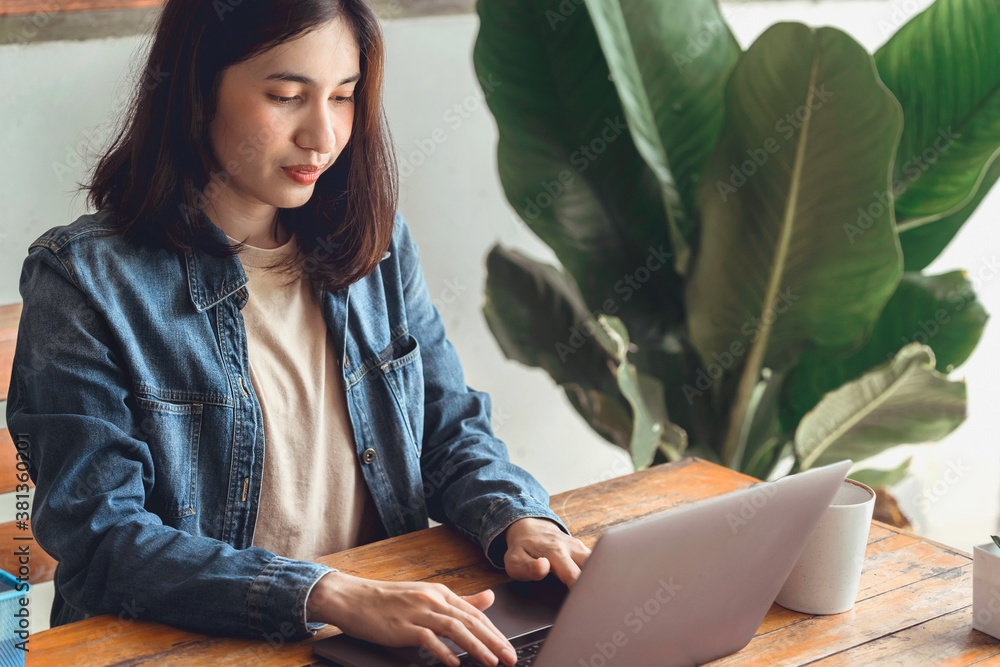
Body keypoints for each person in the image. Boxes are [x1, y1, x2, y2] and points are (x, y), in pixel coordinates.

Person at [6, 1, 591, 665]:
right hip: (193, 647)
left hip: (378, 641)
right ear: (197, 90)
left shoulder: (376, 248)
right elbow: (105, 537)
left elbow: (447, 426)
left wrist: (519, 517)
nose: (323, 135)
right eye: (286, 96)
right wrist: (328, 593)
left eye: (344, 97)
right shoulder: (84, 281)